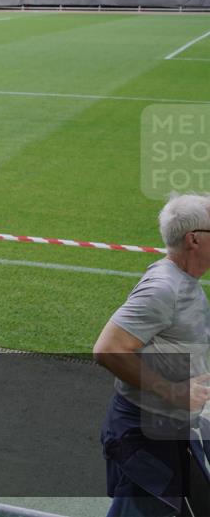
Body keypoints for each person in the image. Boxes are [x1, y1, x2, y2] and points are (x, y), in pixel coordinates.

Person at [94, 194, 210, 516]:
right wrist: (173, 391)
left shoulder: (187, 282)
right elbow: (107, 349)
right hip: (146, 437)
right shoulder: (163, 288)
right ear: (194, 239)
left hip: (179, 429)